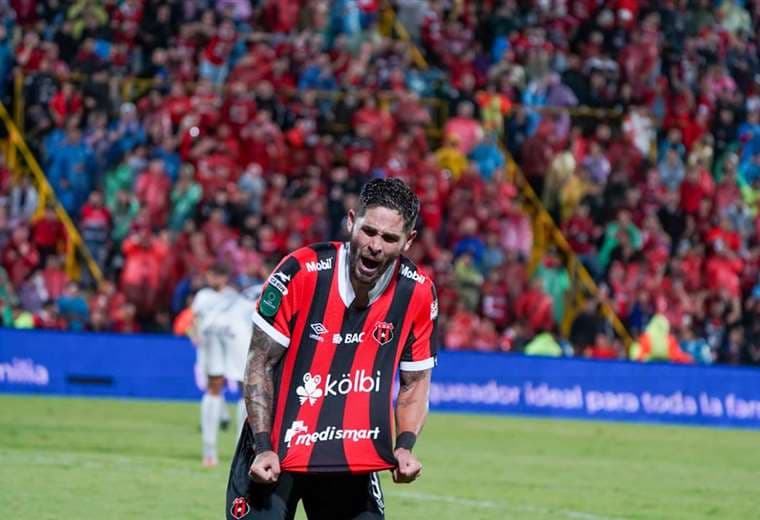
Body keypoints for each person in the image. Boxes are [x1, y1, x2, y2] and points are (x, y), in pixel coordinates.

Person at [226, 178, 438, 519]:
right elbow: (260, 363)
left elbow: (415, 382)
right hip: (277, 448)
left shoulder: (417, 294)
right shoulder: (300, 272)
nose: (374, 246)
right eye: (368, 231)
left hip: (351, 455)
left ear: (408, 241)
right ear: (351, 221)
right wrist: (263, 446)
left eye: (389, 238)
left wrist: (404, 446)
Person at [191, 262, 255, 467]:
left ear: (225, 277)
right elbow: (194, 320)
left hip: (234, 337)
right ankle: (209, 451)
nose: (213, 278)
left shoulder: (236, 297)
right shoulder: (203, 296)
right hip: (214, 338)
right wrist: (196, 336)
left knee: (243, 388)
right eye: (211, 274)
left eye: (217, 274)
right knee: (215, 386)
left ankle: (240, 448)